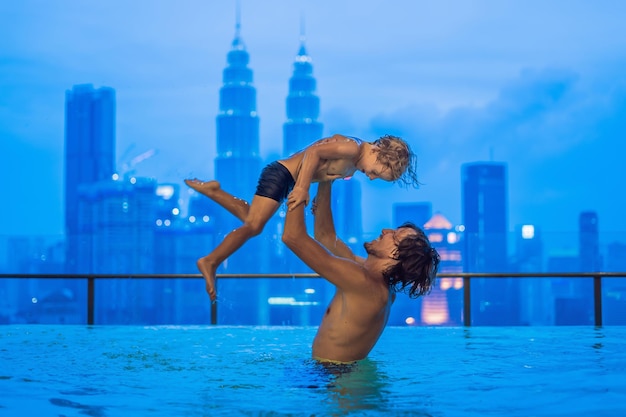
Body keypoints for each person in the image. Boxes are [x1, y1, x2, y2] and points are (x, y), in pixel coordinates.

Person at [185, 133, 419, 302]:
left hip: (293, 179)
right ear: (378, 152)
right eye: (376, 172)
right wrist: (302, 188)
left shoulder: (354, 164)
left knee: (252, 217)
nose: (371, 178)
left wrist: (320, 195)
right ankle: (210, 261)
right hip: (283, 173)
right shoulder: (352, 148)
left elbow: (326, 172)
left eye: (377, 178)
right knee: (254, 225)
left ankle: (214, 191)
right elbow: (315, 152)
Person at [282, 180, 440, 363]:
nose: (385, 230)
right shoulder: (377, 284)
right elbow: (326, 237)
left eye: (394, 236)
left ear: (395, 256)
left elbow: (292, 237)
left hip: (334, 380)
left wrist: (300, 187)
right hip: (339, 374)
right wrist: (326, 179)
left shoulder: (362, 282)